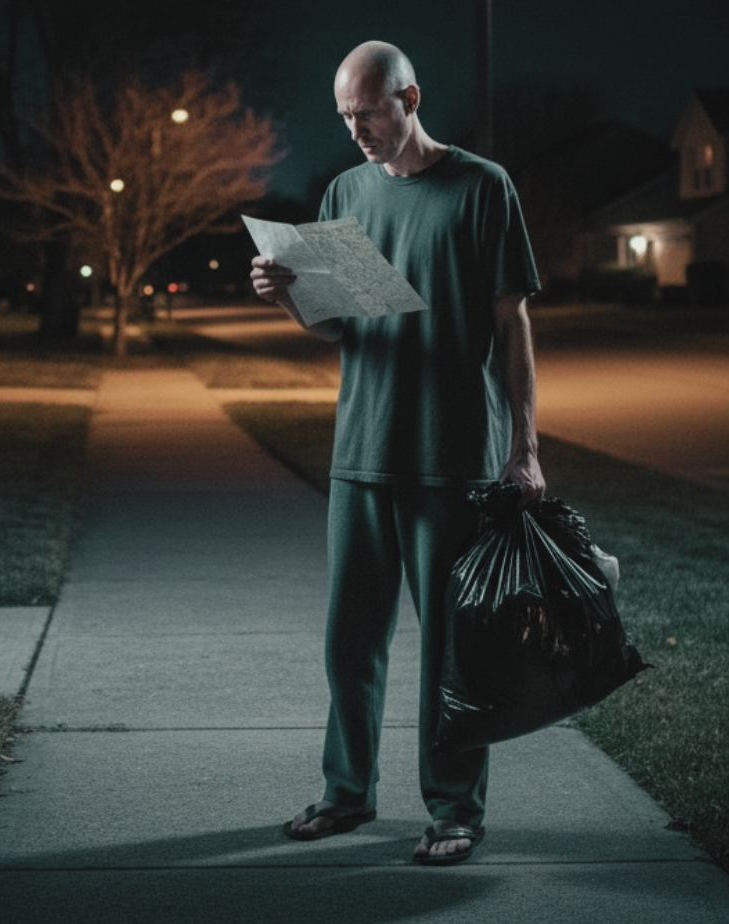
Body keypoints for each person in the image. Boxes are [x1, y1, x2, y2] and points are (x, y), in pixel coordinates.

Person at [249, 40, 544, 866]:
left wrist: (524, 448)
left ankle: (454, 811)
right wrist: (288, 299)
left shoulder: (481, 187)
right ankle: (346, 793)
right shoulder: (345, 193)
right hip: (362, 449)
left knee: (451, 649)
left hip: (453, 454)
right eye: (344, 117)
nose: (356, 131)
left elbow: (512, 324)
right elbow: (341, 326)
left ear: (409, 99)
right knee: (350, 644)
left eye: (368, 113)